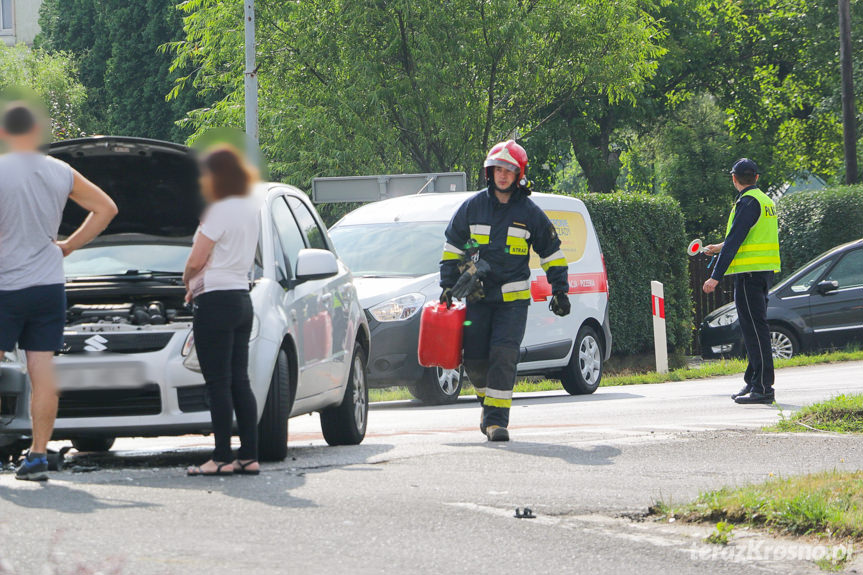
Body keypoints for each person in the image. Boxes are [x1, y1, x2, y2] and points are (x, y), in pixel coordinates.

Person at [0, 102, 117, 481]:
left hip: (4, 286)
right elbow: (106, 208)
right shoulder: (60, 171)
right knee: (42, 374)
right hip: (48, 285)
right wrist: (67, 245)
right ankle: (35, 457)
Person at [440, 140, 570, 441]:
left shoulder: (530, 213)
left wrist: (560, 290)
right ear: (490, 172)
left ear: (519, 174)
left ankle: (497, 422)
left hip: (513, 305)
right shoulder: (472, 207)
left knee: (503, 355)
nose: (502, 175)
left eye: (508, 170)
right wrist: (447, 284)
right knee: (473, 358)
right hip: (477, 299)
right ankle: (489, 405)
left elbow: (551, 253)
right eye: (498, 169)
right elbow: (452, 247)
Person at [184, 146, 261, 476]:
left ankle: (220, 458)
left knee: (217, 382)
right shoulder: (250, 208)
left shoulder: (218, 210)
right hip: (242, 299)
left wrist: (186, 282)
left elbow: (196, 259)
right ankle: (249, 455)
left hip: (214, 299)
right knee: (239, 380)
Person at [703, 158, 780, 405]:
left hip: (749, 276)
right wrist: (719, 247)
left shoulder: (746, 203)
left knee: (756, 332)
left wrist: (715, 276)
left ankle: (764, 388)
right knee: (753, 331)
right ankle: (753, 380)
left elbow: (736, 241)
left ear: (734, 179)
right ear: (756, 178)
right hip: (762, 272)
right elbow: (746, 237)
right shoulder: (765, 201)